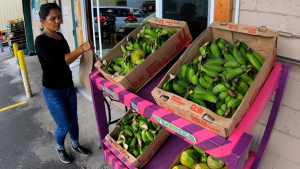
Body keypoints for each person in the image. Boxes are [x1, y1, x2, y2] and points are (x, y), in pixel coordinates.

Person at [35, 3, 95, 164]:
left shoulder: (60, 37)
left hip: (68, 87)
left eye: (59, 17)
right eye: (52, 18)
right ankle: (60, 147)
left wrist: (71, 84)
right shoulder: (41, 41)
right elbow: (60, 62)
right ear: (42, 21)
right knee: (64, 125)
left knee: (73, 120)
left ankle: (75, 145)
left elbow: (68, 61)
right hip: (53, 91)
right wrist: (81, 48)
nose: (57, 21)